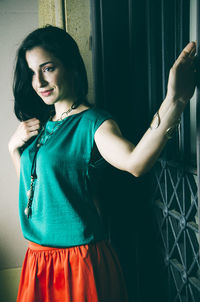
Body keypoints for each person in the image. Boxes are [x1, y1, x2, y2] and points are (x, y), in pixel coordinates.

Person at [8, 25, 196, 302]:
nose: (39, 82)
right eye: (32, 72)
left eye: (47, 68)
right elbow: (34, 194)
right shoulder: (42, 126)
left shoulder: (93, 123)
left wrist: (175, 100)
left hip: (77, 263)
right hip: (37, 261)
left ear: (71, 65)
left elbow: (136, 162)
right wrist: (13, 149)